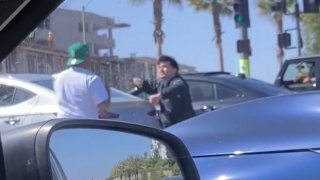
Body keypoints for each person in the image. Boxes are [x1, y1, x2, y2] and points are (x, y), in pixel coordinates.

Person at [133, 55, 195, 128]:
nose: (161, 70)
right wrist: (141, 83)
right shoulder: (160, 83)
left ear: (174, 70)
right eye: (159, 67)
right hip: (168, 125)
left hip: (183, 125)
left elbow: (173, 90)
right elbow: (151, 88)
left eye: (164, 67)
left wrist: (158, 96)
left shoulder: (179, 82)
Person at [53, 42, 110, 119]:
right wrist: (107, 88)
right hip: (85, 127)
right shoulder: (91, 79)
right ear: (87, 58)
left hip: (63, 127)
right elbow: (104, 109)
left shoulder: (57, 78)